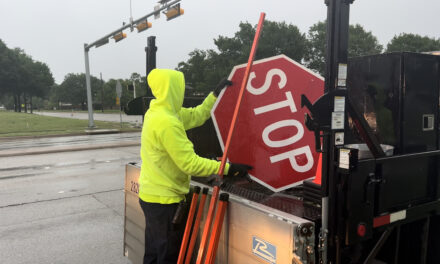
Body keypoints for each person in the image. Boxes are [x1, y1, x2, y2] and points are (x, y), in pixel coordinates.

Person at [139, 69, 252, 264]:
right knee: (167, 256)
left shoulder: (160, 111)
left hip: (152, 196)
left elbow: (197, 115)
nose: (182, 91)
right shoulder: (166, 122)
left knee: (153, 252)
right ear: (172, 89)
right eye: (180, 87)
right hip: (164, 201)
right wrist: (227, 168)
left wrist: (214, 95)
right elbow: (190, 164)